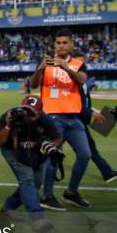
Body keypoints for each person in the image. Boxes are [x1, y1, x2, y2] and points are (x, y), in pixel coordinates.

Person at [30, 28, 91, 211]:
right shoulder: (46, 63)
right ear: (54, 45)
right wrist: (39, 70)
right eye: (58, 43)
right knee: (53, 157)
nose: (61, 46)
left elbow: (81, 81)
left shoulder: (78, 64)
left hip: (73, 118)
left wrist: (65, 67)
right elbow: (33, 84)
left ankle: (71, 192)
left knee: (85, 154)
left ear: (71, 44)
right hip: (52, 118)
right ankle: (47, 196)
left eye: (65, 43)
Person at [0, 96, 62, 232]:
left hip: (35, 152)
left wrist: (51, 146)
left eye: (32, 113)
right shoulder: (10, 116)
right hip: (12, 150)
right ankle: (38, 218)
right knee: (27, 179)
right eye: (26, 111)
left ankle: (9, 206)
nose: (28, 116)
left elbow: (57, 137)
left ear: (40, 113)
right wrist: (8, 126)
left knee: (36, 182)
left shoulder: (46, 120)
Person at [73, 51, 117, 182]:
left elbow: (84, 100)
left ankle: (107, 172)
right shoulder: (72, 82)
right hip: (73, 120)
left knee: (89, 149)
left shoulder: (82, 80)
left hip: (80, 121)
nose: (81, 65)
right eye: (78, 62)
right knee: (86, 150)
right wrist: (91, 113)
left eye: (83, 62)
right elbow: (74, 104)